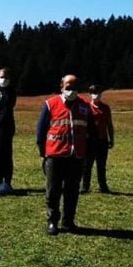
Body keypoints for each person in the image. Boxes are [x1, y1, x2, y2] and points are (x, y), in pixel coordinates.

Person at [36, 74, 95, 236]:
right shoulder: (50, 104)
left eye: (75, 87)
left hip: (76, 156)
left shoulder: (85, 106)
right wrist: (43, 152)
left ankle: (68, 221)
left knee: (72, 191)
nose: (72, 91)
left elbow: (91, 131)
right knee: (53, 190)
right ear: (61, 87)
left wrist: (88, 152)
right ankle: (52, 221)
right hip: (55, 155)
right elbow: (41, 131)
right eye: (68, 87)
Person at [82, 85, 115, 194]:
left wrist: (111, 138)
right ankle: (85, 186)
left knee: (101, 165)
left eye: (99, 93)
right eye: (94, 93)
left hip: (102, 140)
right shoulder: (86, 107)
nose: (97, 95)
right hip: (89, 141)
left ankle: (103, 186)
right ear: (90, 94)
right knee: (87, 165)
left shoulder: (105, 108)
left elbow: (109, 124)